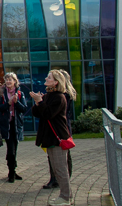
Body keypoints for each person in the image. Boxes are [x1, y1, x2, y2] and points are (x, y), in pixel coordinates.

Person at [30, 70, 73, 206]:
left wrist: (40, 102)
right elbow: (38, 113)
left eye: (49, 77)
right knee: (56, 168)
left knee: (61, 169)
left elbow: (49, 114)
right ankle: (64, 196)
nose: (46, 78)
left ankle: (66, 197)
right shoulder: (49, 95)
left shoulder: (59, 97)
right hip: (49, 138)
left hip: (58, 138)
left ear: (56, 82)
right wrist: (38, 102)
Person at [43, 70, 76, 189]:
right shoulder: (52, 95)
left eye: (50, 77)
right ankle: (54, 178)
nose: (46, 79)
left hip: (62, 128)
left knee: (64, 154)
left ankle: (64, 179)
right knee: (52, 155)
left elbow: (57, 113)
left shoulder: (63, 96)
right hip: (54, 129)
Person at [0, 72, 27, 183]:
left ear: (15, 81)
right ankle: (11, 172)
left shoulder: (20, 93)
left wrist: (17, 102)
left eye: (10, 80)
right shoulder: (2, 93)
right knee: (11, 150)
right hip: (6, 124)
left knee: (14, 148)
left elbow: (24, 109)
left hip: (16, 124)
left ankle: (13, 170)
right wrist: (8, 104)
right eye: (7, 80)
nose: (8, 82)